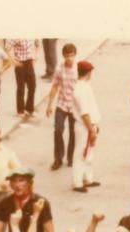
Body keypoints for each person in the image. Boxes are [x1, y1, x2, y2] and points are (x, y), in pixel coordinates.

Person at [45, 43, 80, 171]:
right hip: (62, 104)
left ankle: (71, 157)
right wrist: (49, 105)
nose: (69, 58)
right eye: (67, 56)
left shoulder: (78, 69)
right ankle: (58, 158)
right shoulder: (59, 69)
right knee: (58, 130)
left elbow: (83, 88)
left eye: (72, 55)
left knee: (73, 132)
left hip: (74, 106)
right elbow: (55, 86)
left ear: (75, 55)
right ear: (64, 56)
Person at [70, 61, 101, 191]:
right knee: (81, 154)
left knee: (88, 154)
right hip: (85, 126)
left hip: (89, 125)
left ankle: (87, 178)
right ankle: (77, 182)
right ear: (88, 73)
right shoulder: (81, 90)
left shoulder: (83, 86)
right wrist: (91, 129)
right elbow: (84, 113)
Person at [6, 38, 38, 120]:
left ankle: (30, 108)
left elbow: (37, 43)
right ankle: (20, 110)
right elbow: (7, 47)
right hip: (20, 63)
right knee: (21, 88)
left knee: (32, 86)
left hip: (29, 62)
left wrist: (35, 56)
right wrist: (14, 61)